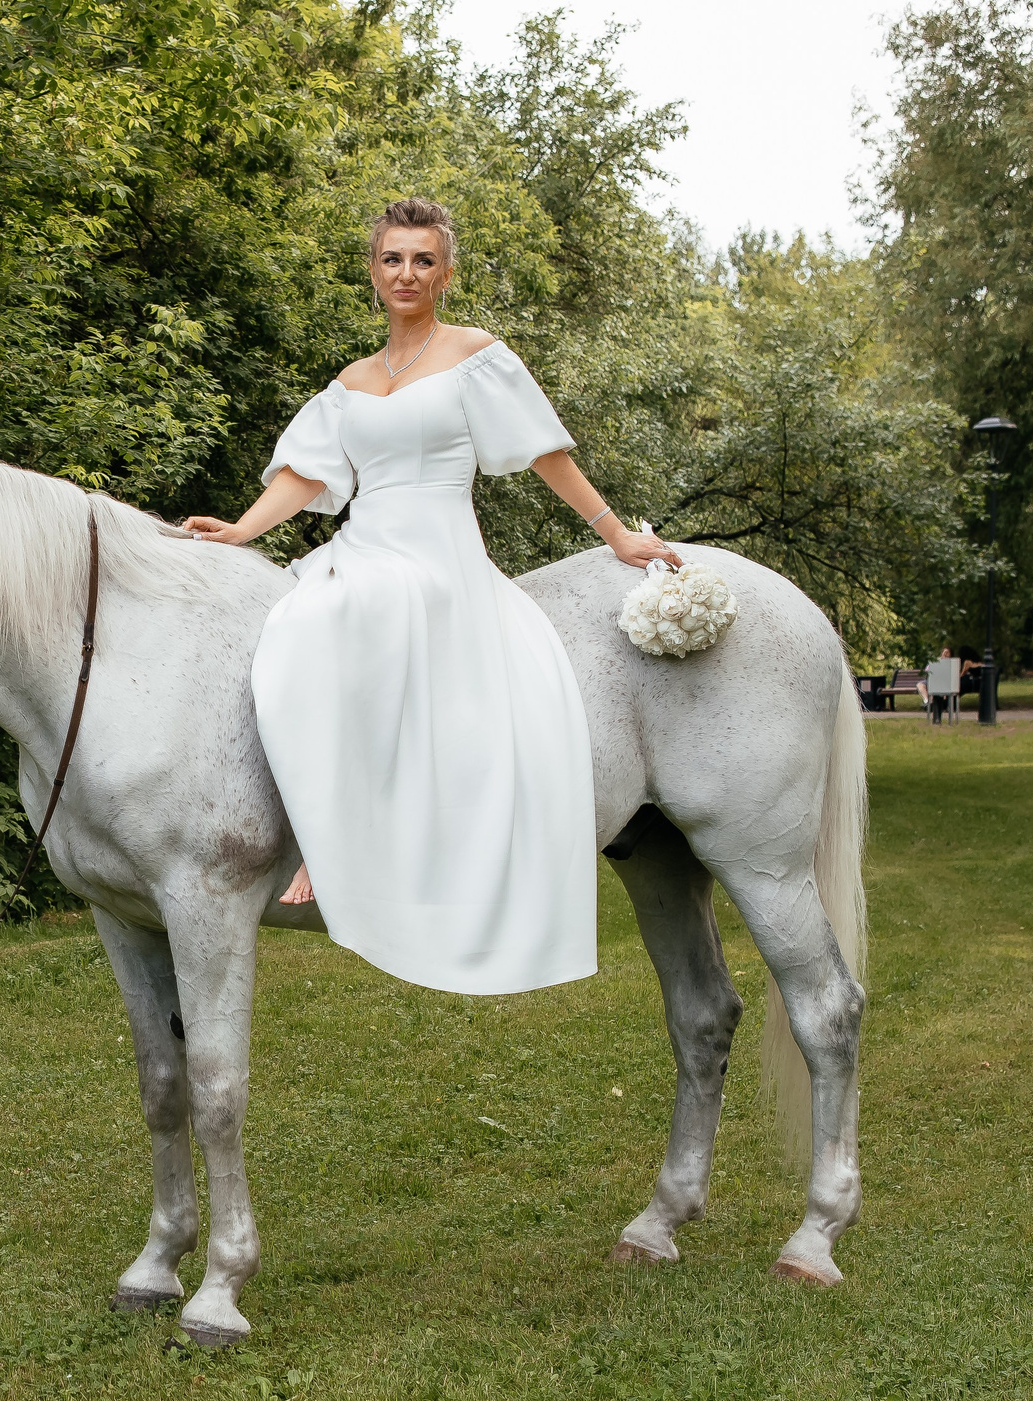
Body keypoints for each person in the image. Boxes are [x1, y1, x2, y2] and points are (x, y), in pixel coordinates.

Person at [183, 197, 681, 994]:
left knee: (356, 612)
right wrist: (243, 530)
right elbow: (309, 475)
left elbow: (544, 453)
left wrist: (616, 535)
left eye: (422, 260)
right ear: (372, 273)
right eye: (392, 259)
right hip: (364, 542)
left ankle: (328, 844)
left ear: (445, 272)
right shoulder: (350, 382)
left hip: (437, 552)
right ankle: (323, 822)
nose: (406, 273)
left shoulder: (474, 356)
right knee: (297, 619)